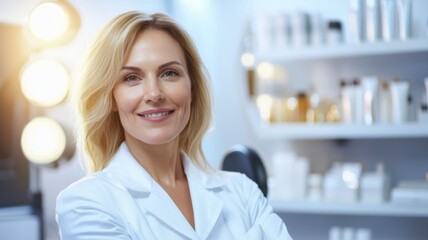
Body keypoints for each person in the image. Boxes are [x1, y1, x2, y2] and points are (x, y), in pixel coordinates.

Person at [56, 11, 292, 240]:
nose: (154, 94)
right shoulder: (86, 202)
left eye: (169, 73)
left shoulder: (242, 192)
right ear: (111, 98)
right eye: (131, 78)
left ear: (192, 88)